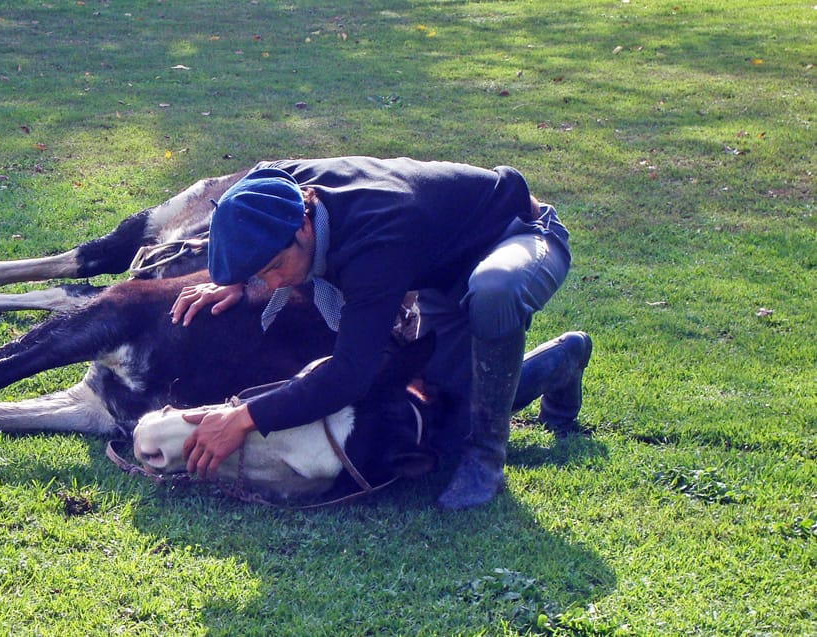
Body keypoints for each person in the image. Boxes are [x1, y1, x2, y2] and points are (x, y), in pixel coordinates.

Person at [169, 156, 588, 510]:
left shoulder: (375, 247)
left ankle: (486, 456)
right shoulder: (286, 189)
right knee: (446, 424)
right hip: (449, 272)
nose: (273, 283)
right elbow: (258, 179)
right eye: (262, 274)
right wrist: (240, 273)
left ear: (302, 226)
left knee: (494, 293)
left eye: (275, 267)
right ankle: (560, 362)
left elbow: (351, 374)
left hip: (523, 236)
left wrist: (243, 418)